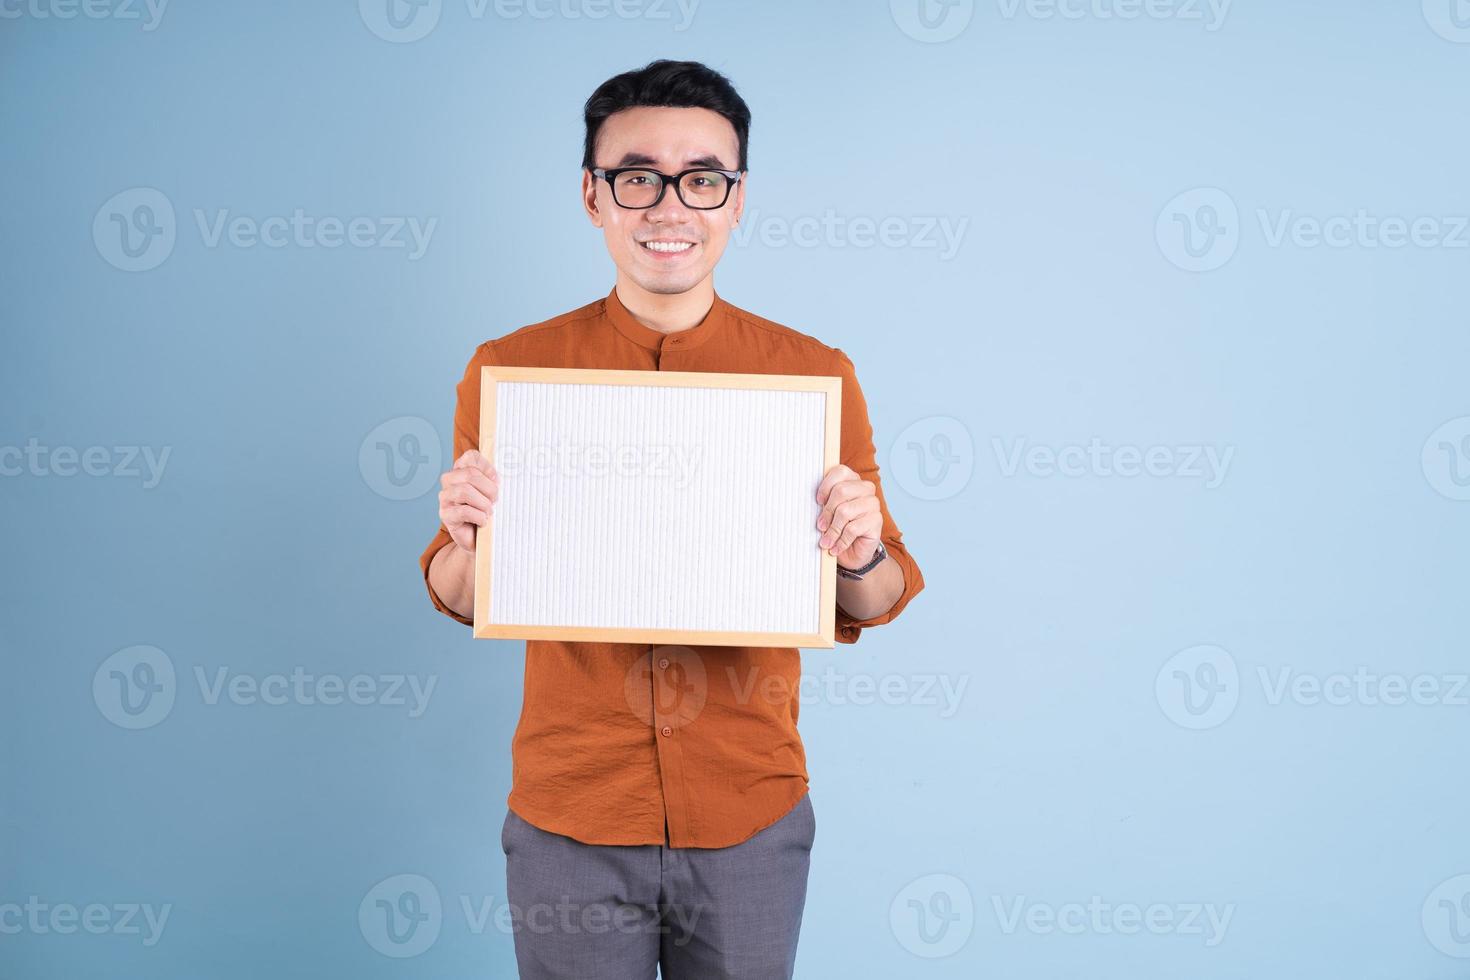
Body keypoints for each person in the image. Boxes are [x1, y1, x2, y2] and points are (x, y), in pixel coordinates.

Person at [418, 59, 925, 980]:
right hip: (572, 810)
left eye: (701, 179)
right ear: (593, 196)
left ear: (736, 201)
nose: (668, 206)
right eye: (636, 177)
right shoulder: (514, 374)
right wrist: (465, 540)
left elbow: (881, 592)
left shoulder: (812, 376)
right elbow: (457, 592)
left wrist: (856, 550)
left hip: (749, 807)